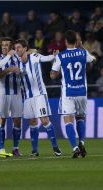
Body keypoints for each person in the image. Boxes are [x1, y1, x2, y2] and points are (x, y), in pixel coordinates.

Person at [50, 30, 96, 158]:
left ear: (65, 42)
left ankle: (75, 147)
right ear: (76, 41)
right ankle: (81, 142)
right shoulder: (83, 52)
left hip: (68, 92)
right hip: (82, 92)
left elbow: (52, 75)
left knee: (68, 119)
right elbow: (93, 60)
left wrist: (58, 69)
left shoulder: (61, 56)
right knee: (80, 118)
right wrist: (82, 47)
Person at [14, 39, 62, 157]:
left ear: (25, 48)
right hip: (27, 97)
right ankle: (34, 150)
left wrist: (54, 55)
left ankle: (55, 147)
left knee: (44, 120)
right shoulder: (16, 62)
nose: (17, 50)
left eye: (19, 47)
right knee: (32, 121)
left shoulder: (34, 57)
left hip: (39, 94)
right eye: (16, 48)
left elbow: (46, 58)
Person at [0, 37, 23, 157]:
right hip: (3, 94)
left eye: (7, 45)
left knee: (17, 121)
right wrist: (8, 70)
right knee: (2, 121)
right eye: (2, 45)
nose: (4, 47)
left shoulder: (18, 58)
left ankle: (15, 148)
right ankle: (1, 148)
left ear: (11, 47)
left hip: (17, 93)